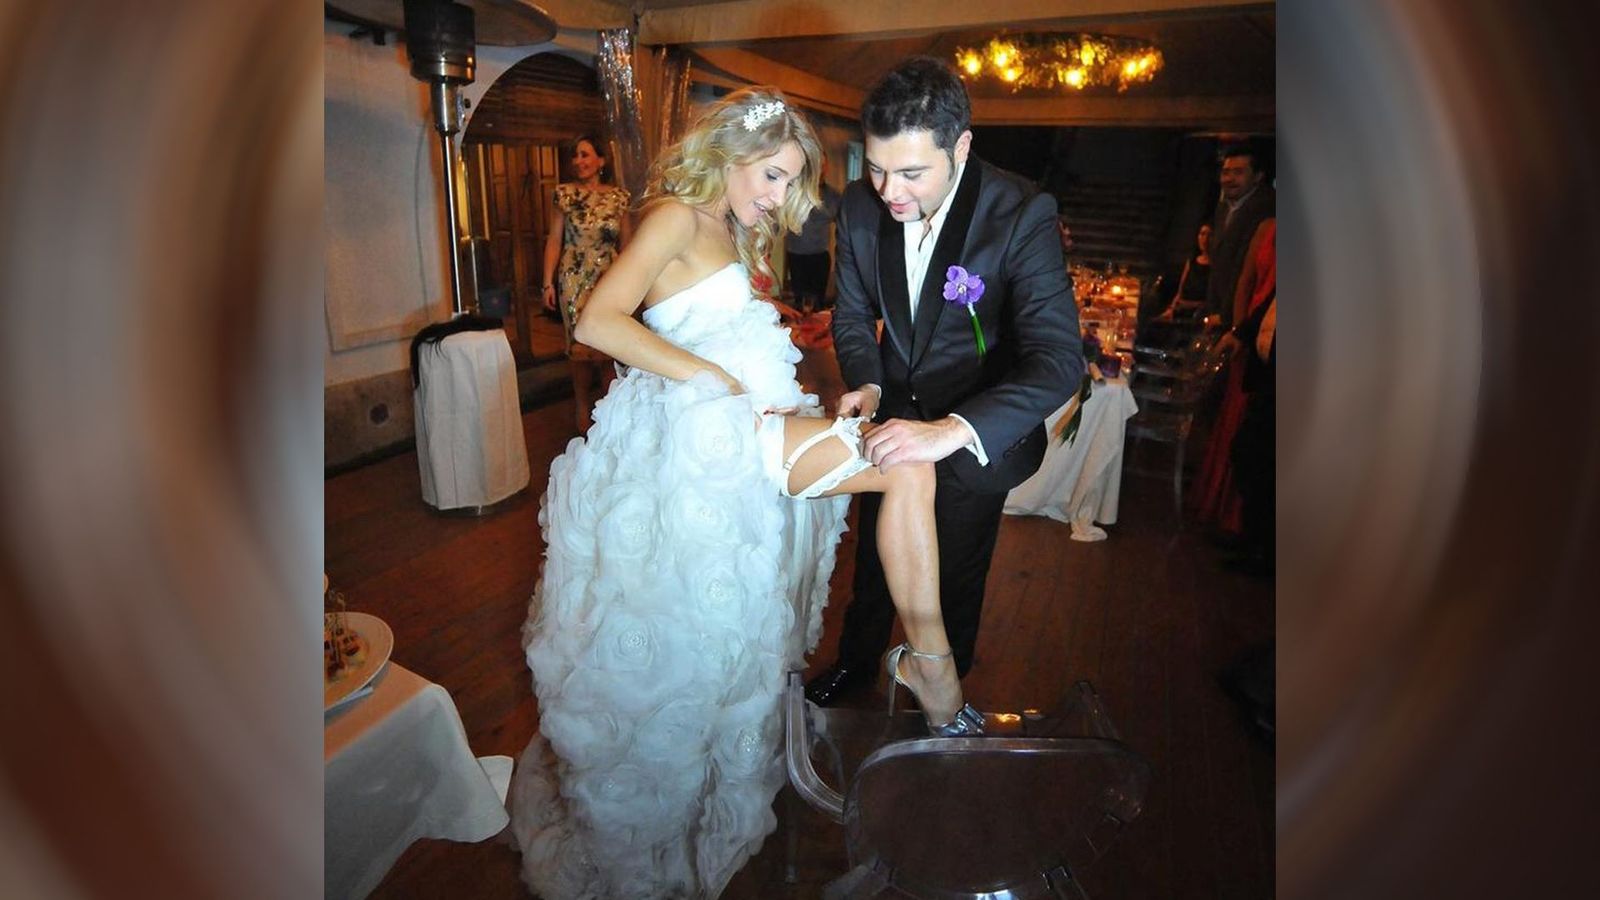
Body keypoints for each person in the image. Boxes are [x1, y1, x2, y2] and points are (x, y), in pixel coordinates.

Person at [509, 88, 981, 900]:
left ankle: (928, 664)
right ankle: (932, 672)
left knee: (908, 463)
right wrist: (717, 380)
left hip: (751, 425)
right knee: (906, 467)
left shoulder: (731, 226)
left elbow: (721, 325)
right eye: (771, 175)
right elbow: (596, 321)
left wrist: (784, 387)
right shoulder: (673, 216)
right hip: (705, 431)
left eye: (789, 181)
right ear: (728, 154)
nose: (777, 196)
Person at [806, 57, 1082, 707]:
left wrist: (953, 430)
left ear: (960, 147)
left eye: (910, 173)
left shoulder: (1020, 212)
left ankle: (939, 693)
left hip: (973, 425)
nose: (889, 192)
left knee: (956, 567)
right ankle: (856, 662)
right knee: (876, 556)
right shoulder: (860, 205)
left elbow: (1058, 358)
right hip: (891, 415)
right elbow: (853, 315)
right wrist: (868, 385)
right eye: (877, 169)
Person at [542, 134, 633, 432]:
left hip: (609, 276)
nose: (578, 161)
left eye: (585, 154)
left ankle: (609, 420)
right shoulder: (564, 194)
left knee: (608, 346)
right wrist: (547, 283)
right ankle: (582, 415)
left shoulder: (619, 197)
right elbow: (554, 240)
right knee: (580, 348)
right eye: (576, 155)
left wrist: (632, 286)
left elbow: (628, 245)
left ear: (601, 160)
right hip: (573, 276)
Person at [1204, 143, 1274, 328]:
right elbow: (1218, 263)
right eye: (1226, 172)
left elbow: (1246, 273)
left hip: (1243, 319)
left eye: (1238, 172)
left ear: (1258, 176)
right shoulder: (1223, 207)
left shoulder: (1266, 210)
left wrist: (1228, 318)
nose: (1229, 179)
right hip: (1218, 312)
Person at [784, 160, 841, 312]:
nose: (820, 168)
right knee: (799, 305)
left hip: (820, 256)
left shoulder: (833, 196)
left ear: (826, 167)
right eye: (817, 163)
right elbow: (779, 220)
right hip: (796, 255)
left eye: (823, 164)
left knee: (817, 305)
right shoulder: (794, 191)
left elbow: (843, 225)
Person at [1157, 222, 1213, 321]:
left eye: (1209, 235)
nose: (1205, 239)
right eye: (1202, 234)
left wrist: (1188, 304)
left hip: (1196, 315)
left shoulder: (1215, 267)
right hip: (1180, 309)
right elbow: (1180, 292)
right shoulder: (1191, 262)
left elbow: (1208, 301)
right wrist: (1171, 309)